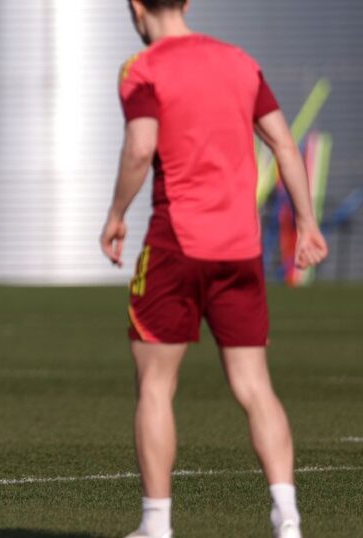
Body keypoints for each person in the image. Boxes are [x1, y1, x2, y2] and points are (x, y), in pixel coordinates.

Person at [100, 2, 328, 537]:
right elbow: (283, 143)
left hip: (177, 246)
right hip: (240, 248)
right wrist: (308, 223)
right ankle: (287, 517)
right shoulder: (239, 62)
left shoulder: (143, 68)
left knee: (156, 386)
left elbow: (139, 148)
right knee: (255, 385)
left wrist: (114, 215)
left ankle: (156, 524)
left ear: (136, 7)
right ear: (186, 2)